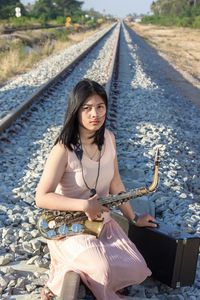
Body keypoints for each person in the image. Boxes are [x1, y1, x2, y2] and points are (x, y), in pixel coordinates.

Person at [35, 78, 157, 300]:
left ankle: (83, 269)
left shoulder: (109, 138)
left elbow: (116, 184)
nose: (95, 114)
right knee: (102, 270)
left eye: (100, 107)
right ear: (76, 110)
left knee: (137, 268)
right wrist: (83, 204)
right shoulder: (63, 149)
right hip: (70, 227)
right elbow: (41, 197)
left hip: (102, 224)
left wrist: (133, 217)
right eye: (87, 108)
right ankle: (60, 271)